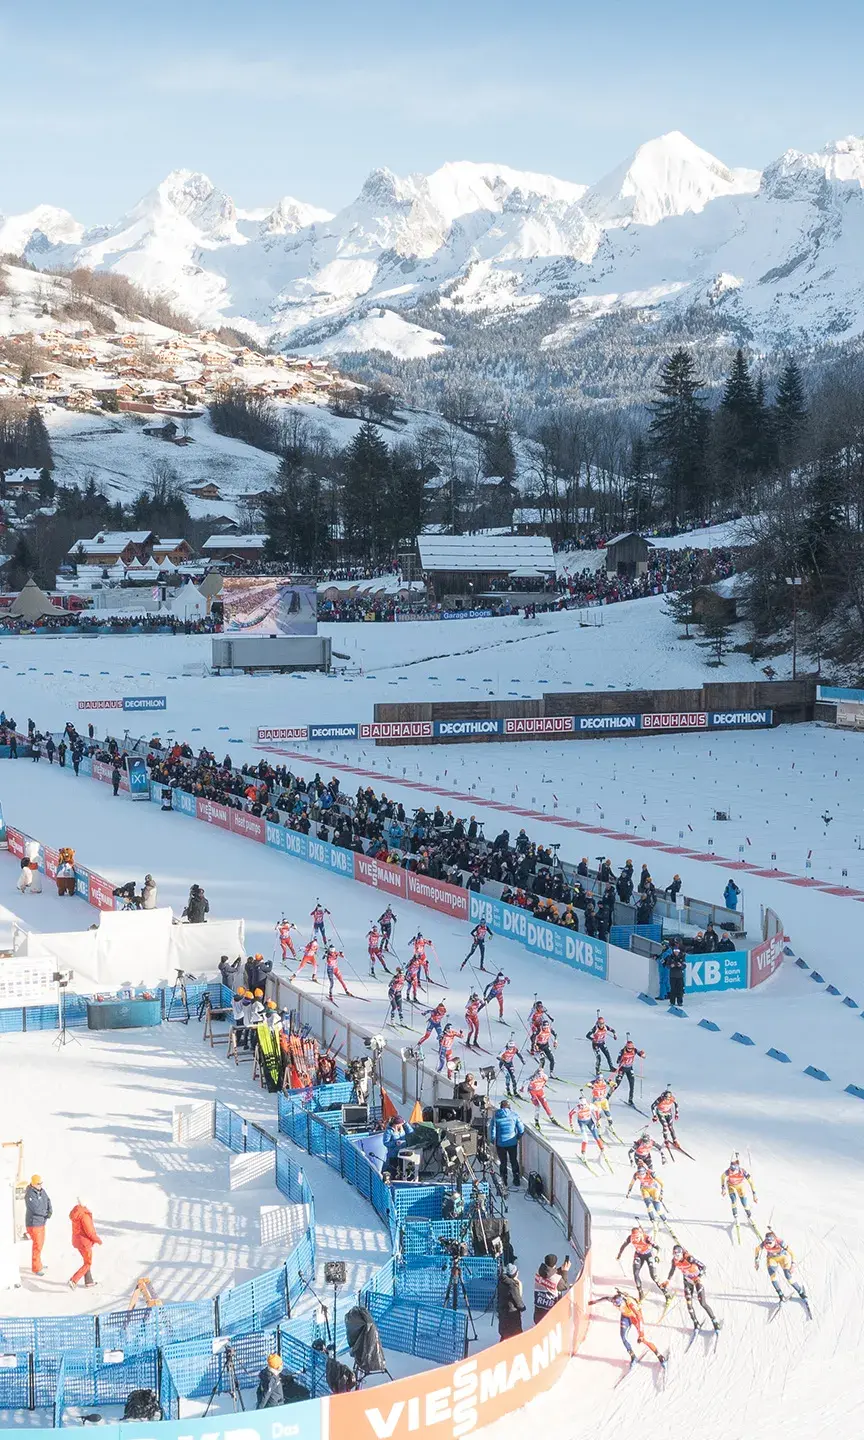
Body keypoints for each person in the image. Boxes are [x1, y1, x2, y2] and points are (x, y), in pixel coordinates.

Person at [588, 1290, 665, 1367]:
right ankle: (633, 1357)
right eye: (616, 1305)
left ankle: (660, 1357)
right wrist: (595, 1302)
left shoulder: (630, 1304)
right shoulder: (615, 1300)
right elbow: (605, 1298)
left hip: (635, 1318)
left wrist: (641, 1334)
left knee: (643, 1340)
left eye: (618, 1306)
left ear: (622, 1303)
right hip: (625, 1317)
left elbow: (639, 1318)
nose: (617, 1307)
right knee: (623, 1337)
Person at [661, 1246, 721, 1331]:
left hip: (696, 1280)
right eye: (674, 1255)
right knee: (689, 1305)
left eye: (677, 1255)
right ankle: (696, 1323)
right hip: (687, 1282)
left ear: (681, 1254)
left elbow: (703, 1267)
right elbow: (672, 1270)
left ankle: (714, 1322)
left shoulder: (689, 1259)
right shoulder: (674, 1261)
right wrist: (667, 1280)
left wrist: (699, 1276)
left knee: (702, 1303)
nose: (676, 1257)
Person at [754, 1229, 808, 1305]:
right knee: (772, 1277)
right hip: (772, 1259)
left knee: (788, 1276)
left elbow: (792, 1253)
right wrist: (756, 1261)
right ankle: (781, 1295)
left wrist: (793, 1265)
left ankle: (801, 1292)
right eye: (766, 1242)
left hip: (783, 1257)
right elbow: (756, 1249)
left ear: (774, 1241)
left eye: (770, 1242)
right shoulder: (764, 1244)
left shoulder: (780, 1242)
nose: (768, 1244)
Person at [616, 1223, 664, 1299]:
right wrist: (619, 1254)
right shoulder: (630, 1238)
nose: (635, 1239)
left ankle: (665, 1292)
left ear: (640, 1234)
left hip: (648, 1255)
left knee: (653, 1276)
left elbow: (658, 1248)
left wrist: (657, 1256)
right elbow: (623, 1246)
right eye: (634, 1237)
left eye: (637, 1237)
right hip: (638, 1255)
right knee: (635, 1274)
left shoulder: (646, 1238)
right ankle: (640, 1293)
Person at [489, 1098, 523, 1188]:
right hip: (512, 1142)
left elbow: (492, 1129)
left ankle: (504, 1181)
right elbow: (521, 1128)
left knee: (503, 1162)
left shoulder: (496, 1116)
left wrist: (493, 1140)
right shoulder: (514, 1115)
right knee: (514, 1161)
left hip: (501, 1143)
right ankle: (516, 1180)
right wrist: (518, 1137)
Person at [68, 1199, 102, 1288]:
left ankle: (89, 1281)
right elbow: (90, 1232)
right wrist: (98, 1240)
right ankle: (73, 1280)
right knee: (88, 1263)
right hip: (84, 1242)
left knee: (86, 1261)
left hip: (77, 1241)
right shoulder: (84, 1216)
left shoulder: (76, 1213)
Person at [721, 1154, 758, 1230]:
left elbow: (751, 1182)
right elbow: (722, 1177)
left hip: (740, 1186)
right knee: (733, 1200)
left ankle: (749, 1216)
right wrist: (723, 1188)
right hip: (731, 1186)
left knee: (744, 1203)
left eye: (733, 1170)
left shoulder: (742, 1171)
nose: (732, 1171)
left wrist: (754, 1195)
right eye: (731, 1169)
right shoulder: (728, 1171)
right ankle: (736, 1217)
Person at [24, 1175, 52, 1276]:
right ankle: (36, 1268)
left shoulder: (42, 1191)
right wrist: (45, 1213)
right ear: (34, 1183)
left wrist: (50, 1211)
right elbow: (35, 1209)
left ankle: (38, 1263)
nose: (40, 1185)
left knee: (40, 1245)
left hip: (41, 1223)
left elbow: (48, 1200)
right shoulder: (30, 1194)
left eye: (41, 1183)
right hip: (34, 1223)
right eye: (39, 1183)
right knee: (37, 1245)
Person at [533, 1253, 570, 1324]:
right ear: (555, 1264)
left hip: (538, 1311)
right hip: (550, 1314)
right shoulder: (556, 1279)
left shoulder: (538, 1272)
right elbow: (564, 1286)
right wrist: (564, 1271)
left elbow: (548, 1273)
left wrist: (560, 1270)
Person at [609, 1038, 645, 1106]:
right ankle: (607, 1096)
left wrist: (643, 1054)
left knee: (632, 1084)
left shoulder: (634, 1050)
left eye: (631, 1048)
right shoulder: (622, 1051)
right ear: (626, 1047)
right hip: (622, 1068)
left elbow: (643, 1056)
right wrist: (622, 1060)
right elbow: (618, 1061)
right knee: (616, 1084)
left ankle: (630, 1100)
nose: (630, 1050)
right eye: (629, 1048)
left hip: (629, 1068)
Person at [497, 1261, 526, 1339]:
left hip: (502, 1311)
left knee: (504, 1333)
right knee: (515, 1333)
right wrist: (522, 1307)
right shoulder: (513, 1285)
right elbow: (517, 1299)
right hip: (512, 1313)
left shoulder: (501, 1281)